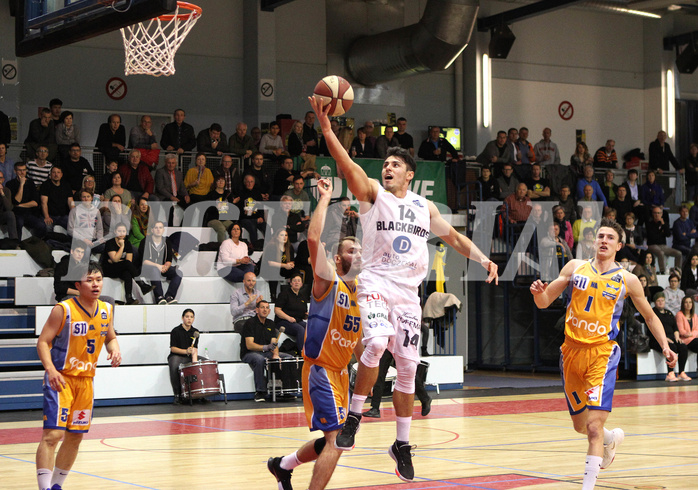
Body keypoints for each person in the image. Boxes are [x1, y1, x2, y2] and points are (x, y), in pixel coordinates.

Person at [310, 96, 498, 482]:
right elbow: (348, 168)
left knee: (409, 367)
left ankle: (402, 443)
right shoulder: (374, 195)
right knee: (377, 344)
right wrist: (327, 129)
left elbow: (457, 239)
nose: (389, 167)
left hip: (408, 295)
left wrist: (482, 259)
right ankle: (355, 416)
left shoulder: (425, 208)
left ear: (410, 173)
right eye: (386, 164)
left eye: (396, 164)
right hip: (377, 284)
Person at [530, 218, 676, 490]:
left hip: (602, 354)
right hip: (571, 353)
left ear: (619, 245)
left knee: (593, 428)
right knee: (581, 426)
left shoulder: (627, 279)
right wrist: (538, 293)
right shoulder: (575, 267)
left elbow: (650, 315)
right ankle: (611, 439)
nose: (604, 240)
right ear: (594, 241)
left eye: (610, 237)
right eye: (600, 236)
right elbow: (544, 301)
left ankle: (588, 486)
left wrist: (666, 345)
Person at [267, 177, 363, 490]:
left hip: (341, 375)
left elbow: (359, 345)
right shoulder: (328, 279)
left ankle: (283, 465)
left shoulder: (361, 295)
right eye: (351, 249)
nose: (358, 252)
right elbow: (313, 239)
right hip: (320, 369)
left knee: (333, 441)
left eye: (360, 248)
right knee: (337, 439)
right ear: (338, 259)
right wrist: (324, 199)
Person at [35, 262, 121, 490]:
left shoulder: (106, 309)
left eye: (99, 279)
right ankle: (44, 487)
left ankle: (56, 486)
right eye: (90, 280)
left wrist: (114, 349)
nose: (95, 284)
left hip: (86, 382)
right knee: (53, 435)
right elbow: (43, 341)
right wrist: (50, 370)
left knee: (75, 437)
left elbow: (110, 336)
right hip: (61, 379)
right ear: (77, 284)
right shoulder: (63, 309)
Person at [240, 300, 292, 402]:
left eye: (267, 308)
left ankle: (284, 390)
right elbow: (249, 345)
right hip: (249, 353)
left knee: (287, 358)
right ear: (257, 310)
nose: (265, 310)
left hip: (266, 352)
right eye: (262, 307)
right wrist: (265, 347)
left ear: (269, 311)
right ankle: (260, 392)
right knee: (260, 359)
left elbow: (274, 343)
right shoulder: (250, 323)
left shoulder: (271, 323)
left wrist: (276, 355)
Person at [102, 222, 154, 305]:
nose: (122, 233)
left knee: (127, 273)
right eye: (119, 231)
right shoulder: (110, 242)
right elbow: (115, 260)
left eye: (123, 231)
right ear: (115, 231)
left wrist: (117, 260)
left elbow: (128, 261)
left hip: (121, 267)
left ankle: (129, 298)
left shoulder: (128, 243)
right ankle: (141, 284)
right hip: (108, 269)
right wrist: (122, 246)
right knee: (126, 265)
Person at [139, 221, 182, 304]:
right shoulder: (145, 241)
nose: (158, 230)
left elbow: (169, 260)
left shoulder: (167, 242)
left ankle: (169, 296)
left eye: (160, 228)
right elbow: (144, 261)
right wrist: (158, 266)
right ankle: (159, 297)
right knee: (155, 269)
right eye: (156, 228)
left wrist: (166, 266)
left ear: (163, 230)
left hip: (162, 267)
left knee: (178, 273)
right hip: (147, 268)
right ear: (152, 230)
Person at [7, 161, 47, 239]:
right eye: (20, 170)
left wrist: (19, 205)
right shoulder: (10, 184)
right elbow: (16, 201)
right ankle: (17, 245)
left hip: (29, 213)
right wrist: (21, 184)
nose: (22, 172)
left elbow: (35, 203)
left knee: (42, 225)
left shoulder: (30, 183)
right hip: (16, 213)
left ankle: (35, 243)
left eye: (24, 170)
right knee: (19, 223)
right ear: (15, 171)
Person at [168, 308, 201, 404]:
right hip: (177, 356)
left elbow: (195, 349)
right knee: (174, 364)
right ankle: (177, 395)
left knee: (204, 362)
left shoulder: (195, 332)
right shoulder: (175, 331)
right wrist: (185, 351)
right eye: (187, 317)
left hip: (189, 357)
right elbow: (173, 348)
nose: (189, 319)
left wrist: (194, 361)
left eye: (191, 317)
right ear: (182, 318)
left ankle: (200, 393)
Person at [273, 273, 309, 350]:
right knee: (300, 329)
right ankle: (302, 353)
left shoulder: (302, 297)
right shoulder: (284, 294)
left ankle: (311, 352)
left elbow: (303, 314)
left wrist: (308, 315)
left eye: (299, 281)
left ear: (302, 284)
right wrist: (288, 318)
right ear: (291, 283)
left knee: (310, 327)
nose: (296, 282)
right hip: (283, 321)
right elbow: (277, 310)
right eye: (294, 281)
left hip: (297, 321)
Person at [0, 169, 18, 241]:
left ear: (3, 180)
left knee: (10, 214)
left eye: (0, 178)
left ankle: (14, 241)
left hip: (1, 216)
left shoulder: (6, 190)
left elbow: (9, 208)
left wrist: (2, 194)